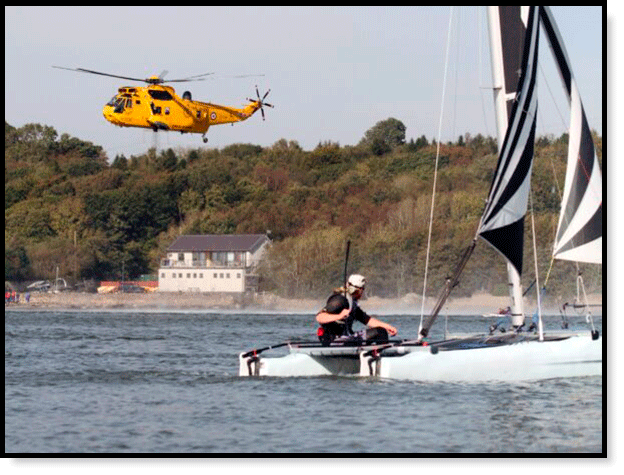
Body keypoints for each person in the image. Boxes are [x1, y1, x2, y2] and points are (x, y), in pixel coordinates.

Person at [315, 274, 398, 345]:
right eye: (361, 290)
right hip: (335, 340)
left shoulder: (352, 303)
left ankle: (375, 355)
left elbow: (367, 320)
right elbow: (320, 317)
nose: (361, 294)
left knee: (381, 332)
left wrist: (387, 327)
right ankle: (373, 358)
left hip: (348, 337)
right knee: (380, 333)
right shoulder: (340, 300)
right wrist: (339, 316)